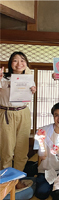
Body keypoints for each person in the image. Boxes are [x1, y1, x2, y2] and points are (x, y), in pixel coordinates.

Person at [0, 52, 36, 180]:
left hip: (23, 113)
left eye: (22, 60)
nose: (19, 63)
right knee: (7, 150)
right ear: (10, 63)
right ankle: (5, 180)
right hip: (6, 113)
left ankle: (18, 179)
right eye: (15, 60)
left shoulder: (29, 78)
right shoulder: (3, 78)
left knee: (22, 148)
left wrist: (33, 90)